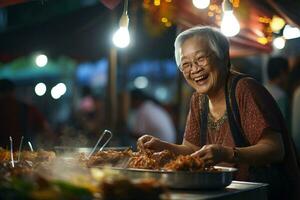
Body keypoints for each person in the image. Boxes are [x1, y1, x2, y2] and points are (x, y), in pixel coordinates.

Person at [137, 26, 300, 199]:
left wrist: (227, 153)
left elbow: (275, 149)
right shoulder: (198, 100)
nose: (194, 69)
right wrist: (162, 146)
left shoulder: (244, 89)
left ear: (223, 57)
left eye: (200, 59)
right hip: (225, 192)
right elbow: (192, 149)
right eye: (186, 64)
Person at [0, 78, 53, 148]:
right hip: (23, 154)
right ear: (13, 91)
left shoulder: (28, 109)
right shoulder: (28, 109)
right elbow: (46, 130)